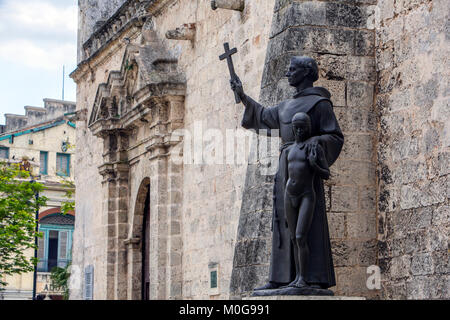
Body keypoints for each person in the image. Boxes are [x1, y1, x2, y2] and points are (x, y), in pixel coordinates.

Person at [230, 56, 344, 290]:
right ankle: (279, 278)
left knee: (306, 229)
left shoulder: (320, 104)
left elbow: (334, 136)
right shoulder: (284, 106)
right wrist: (242, 96)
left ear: (305, 72)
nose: (288, 73)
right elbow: (261, 116)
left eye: (292, 70)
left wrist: (313, 142)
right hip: (285, 168)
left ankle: (308, 278)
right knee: (282, 223)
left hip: (305, 169)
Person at [285, 112, 330, 289]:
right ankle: (297, 277)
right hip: (290, 194)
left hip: (306, 195)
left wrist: (314, 164)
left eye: (302, 127)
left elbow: (326, 173)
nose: (299, 130)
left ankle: (303, 277)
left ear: (308, 128)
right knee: (293, 239)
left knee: (300, 236)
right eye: (296, 127)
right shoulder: (288, 149)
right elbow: (284, 176)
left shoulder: (313, 148)